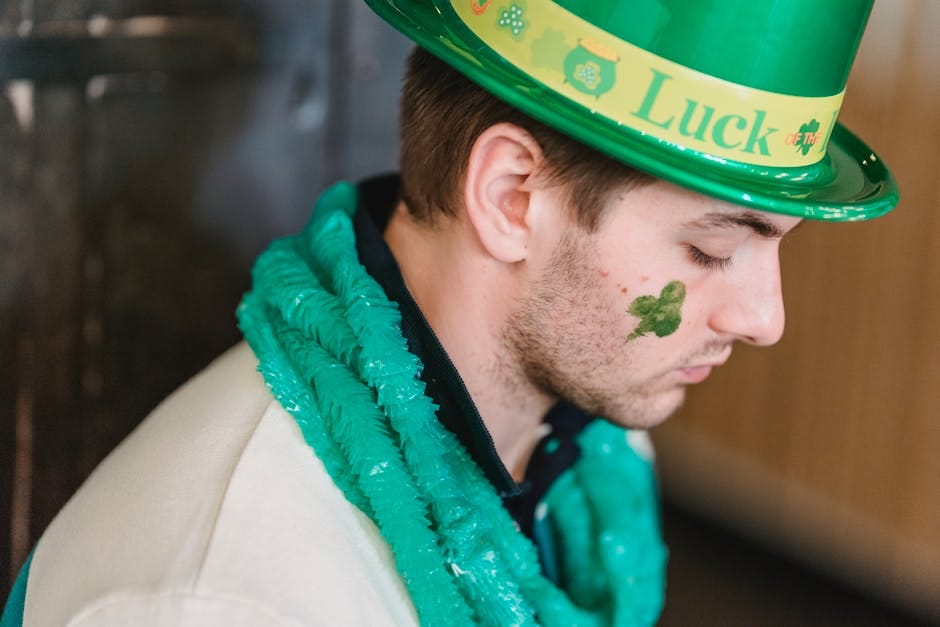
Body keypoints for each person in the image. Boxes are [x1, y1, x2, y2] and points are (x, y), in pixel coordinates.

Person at [2, 0, 898, 625]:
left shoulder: (587, 448)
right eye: (708, 250)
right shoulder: (230, 598)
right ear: (512, 196)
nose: (765, 317)